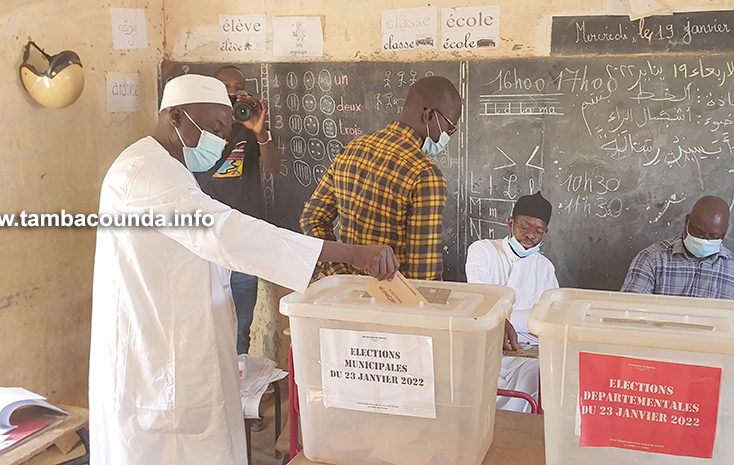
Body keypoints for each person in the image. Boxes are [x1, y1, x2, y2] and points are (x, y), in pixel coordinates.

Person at [89, 74, 399, 465]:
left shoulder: (168, 167)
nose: (220, 140)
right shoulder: (143, 172)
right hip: (158, 362)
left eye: (227, 128)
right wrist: (348, 253)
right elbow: (224, 233)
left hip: (183, 343)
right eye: (216, 128)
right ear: (176, 117)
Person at [300, 76, 459, 281]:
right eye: (450, 127)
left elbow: (312, 219)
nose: (447, 135)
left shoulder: (351, 150)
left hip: (344, 299)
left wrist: (340, 275)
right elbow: (423, 276)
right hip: (391, 305)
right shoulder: (424, 175)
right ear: (429, 115)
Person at [193, 66, 280, 356]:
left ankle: (241, 381)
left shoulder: (249, 124)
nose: (233, 92)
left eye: (238, 86)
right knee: (206, 318)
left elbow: (275, 167)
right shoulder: (196, 126)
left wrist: (261, 132)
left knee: (242, 321)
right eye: (225, 87)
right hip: (206, 236)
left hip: (243, 236)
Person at [465, 193, 558, 413]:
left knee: (539, 373)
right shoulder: (483, 250)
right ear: (510, 223)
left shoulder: (544, 267)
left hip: (524, 354)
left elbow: (551, 314)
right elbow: (481, 299)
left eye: (538, 231)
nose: (529, 235)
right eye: (524, 226)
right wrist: (503, 321)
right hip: (484, 345)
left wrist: (511, 321)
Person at [620, 195, 734, 300]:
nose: (704, 240)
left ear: (725, 232)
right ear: (687, 222)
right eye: (698, 232)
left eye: (714, 236)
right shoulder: (652, 259)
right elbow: (630, 311)